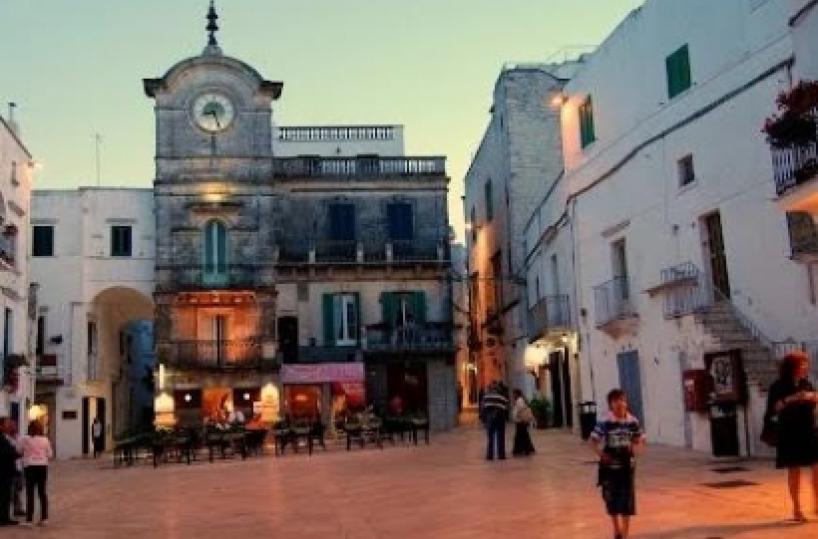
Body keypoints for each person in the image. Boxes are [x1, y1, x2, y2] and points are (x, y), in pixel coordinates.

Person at [765, 351, 818, 522]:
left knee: (816, 467)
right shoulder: (778, 386)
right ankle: (797, 508)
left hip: (809, 430)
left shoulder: (806, 383)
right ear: (793, 367)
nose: (806, 367)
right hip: (789, 432)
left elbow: (815, 397)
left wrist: (812, 396)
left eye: (806, 364)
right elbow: (775, 408)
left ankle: (817, 502)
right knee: (794, 470)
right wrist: (793, 398)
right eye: (803, 364)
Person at [589, 389, 645, 539]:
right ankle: (616, 528)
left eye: (622, 400)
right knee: (611, 498)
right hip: (610, 468)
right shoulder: (605, 421)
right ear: (610, 405)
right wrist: (601, 454)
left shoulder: (633, 421)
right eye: (615, 401)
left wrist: (635, 449)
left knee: (627, 500)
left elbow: (639, 440)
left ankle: (625, 533)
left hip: (627, 467)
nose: (619, 404)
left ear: (626, 402)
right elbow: (593, 441)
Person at [20, 420, 52, 527]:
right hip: (42, 466)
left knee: (30, 493)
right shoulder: (45, 439)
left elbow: (19, 450)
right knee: (42, 492)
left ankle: (29, 520)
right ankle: (44, 518)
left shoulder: (25, 439)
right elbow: (50, 454)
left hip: (30, 466)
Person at [0, 417, 21, 526]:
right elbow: (6, 453)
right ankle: (3, 518)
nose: (8, 426)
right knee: (4, 496)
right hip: (3, 472)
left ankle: (5, 517)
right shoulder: (2, 439)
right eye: (6, 424)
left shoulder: (5, 438)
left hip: (7, 471)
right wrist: (17, 453)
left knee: (6, 496)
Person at [482, 382, 509, 461]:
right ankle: (501, 455)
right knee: (500, 437)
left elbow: (483, 409)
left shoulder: (486, 397)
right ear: (497, 389)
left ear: (490, 389)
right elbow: (506, 407)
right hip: (500, 418)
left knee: (490, 438)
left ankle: (490, 455)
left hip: (490, 419)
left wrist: (484, 420)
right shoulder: (502, 397)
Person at [4, 420, 24, 517]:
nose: (14, 428)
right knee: (10, 489)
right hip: (10, 467)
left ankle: (18, 508)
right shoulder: (5, 439)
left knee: (18, 488)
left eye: (15, 426)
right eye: (11, 426)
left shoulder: (20, 438)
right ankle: (9, 510)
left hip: (19, 466)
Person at [511, 389, 535, 456]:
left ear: (517, 394)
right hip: (521, 420)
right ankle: (526, 449)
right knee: (523, 435)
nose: (513, 395)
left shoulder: (520, 400)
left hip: (521, 420)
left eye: (514, 394)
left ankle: (520, 450)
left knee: (520, 435)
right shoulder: (520, 400)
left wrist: (517, 415)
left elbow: (520, 409)